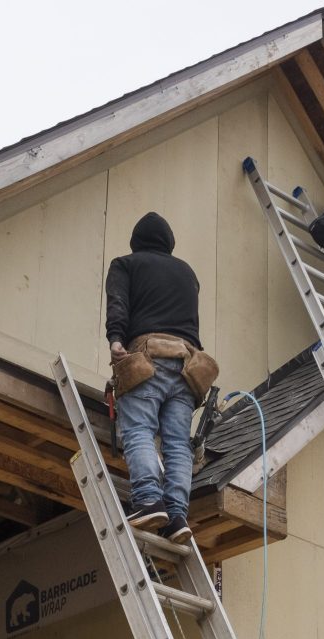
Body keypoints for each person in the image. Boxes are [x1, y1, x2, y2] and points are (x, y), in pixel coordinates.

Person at [105, 211, 217, 545]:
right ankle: (177, 514)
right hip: (186, 364)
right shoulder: (187, 273)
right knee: (177, 444)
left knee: (139, 429)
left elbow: (118, 304)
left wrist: (115, 340)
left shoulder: (126, 264)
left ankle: (148, 500)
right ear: (169, 244)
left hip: (147, 357)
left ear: (136, 242)